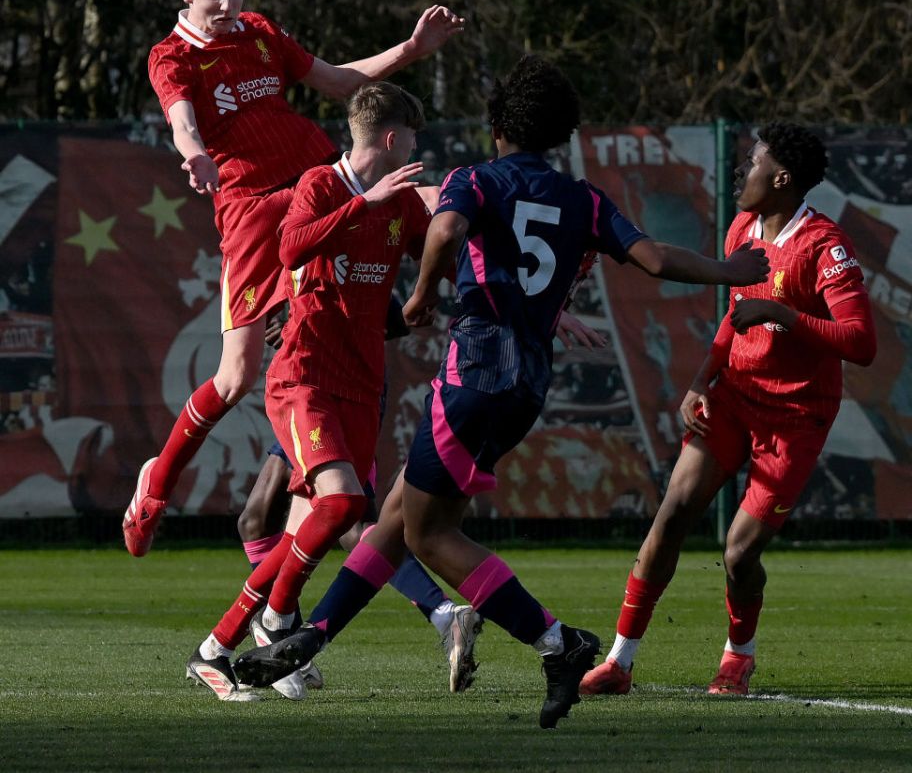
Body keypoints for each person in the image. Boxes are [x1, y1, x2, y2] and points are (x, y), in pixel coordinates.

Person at [232, 54, 770, 727]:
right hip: (527, 384)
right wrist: (731, 269)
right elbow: (656, 258)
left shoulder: (476, 181)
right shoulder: (584, 198)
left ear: (496, 127)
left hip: (475, 369)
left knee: (428, 533)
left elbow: (449, 229)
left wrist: (425, 292)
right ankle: (313, 633)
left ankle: (557, 641)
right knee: (400, 513)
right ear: (560, 133)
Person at [123, 0, 464, 557]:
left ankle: (301, 528)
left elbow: (336, 81)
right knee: (235, 377)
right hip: (253, 211)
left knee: (430, 202)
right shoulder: (172, 57)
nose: (227, 6)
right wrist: (195, 156)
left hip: (317, 183)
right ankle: (158, 482)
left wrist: (410, 51)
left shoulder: (259, 33)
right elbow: (182, 119)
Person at [186, 81, 481, 701]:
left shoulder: (399, 206)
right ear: (395, 138)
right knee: (344, 507)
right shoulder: (322, 186)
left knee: (313, 523)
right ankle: (279, 619)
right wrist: (365, 201)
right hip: (303, 378)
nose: (415, 152)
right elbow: (290, 244)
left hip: (361, 386)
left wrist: (513, 303)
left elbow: (447, 260)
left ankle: (216, 646)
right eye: (414, 140)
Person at [579, 122, 877, 699]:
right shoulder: (742, 228)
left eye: (754, 162)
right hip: (734, 397)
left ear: (782, 178)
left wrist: (785, 315)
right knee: (671, 517)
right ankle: (619, 660)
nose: (743, 171)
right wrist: (699, 381)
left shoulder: (824, 246)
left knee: (739, 552)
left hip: (796, 417)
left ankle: (738, 657)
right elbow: (736, 314)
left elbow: (861, 343)